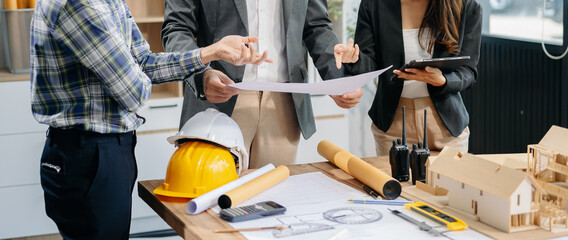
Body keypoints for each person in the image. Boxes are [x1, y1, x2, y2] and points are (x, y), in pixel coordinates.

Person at [30, 0, 271, 239]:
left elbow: (144, 62)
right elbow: (134, 92)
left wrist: (212, 52)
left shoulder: (109, 2)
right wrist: (139, 72)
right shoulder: (79, 4)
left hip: (107, 149)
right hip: (87, 153)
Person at [161, 0, 364, 168]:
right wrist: (202, 75)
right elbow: (177, 28)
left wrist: (338, 80)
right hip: (217, 99)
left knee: (272, 203)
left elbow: (316, 26)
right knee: (210, 204)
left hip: (284, 103)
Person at [334, 0, 482, 155]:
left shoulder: (466, 6)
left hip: (445, 127)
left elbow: (468, 70)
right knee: (393, 179)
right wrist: (353, 59)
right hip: (393, 125)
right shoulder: (373, 5)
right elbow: (368, 62)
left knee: (446, 180)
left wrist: (443, 81)